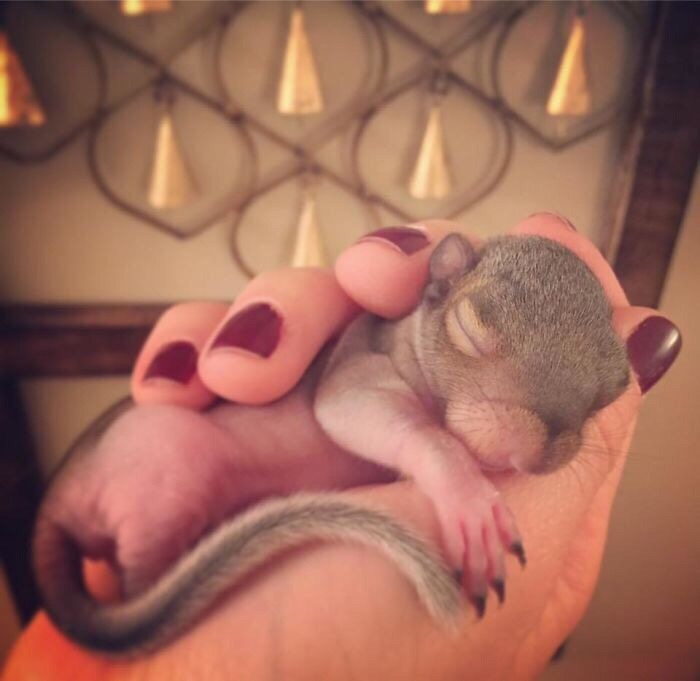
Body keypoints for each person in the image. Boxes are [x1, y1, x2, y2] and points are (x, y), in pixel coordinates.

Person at [2, 214, 681, 681]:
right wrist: (444, 466)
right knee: (180, 454)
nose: (531, 445)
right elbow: (341, 405)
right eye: (476, 334)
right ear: (440, 287)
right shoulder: (385, 353)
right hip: (146, 456)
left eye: (596, 400)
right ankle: (145, 608)